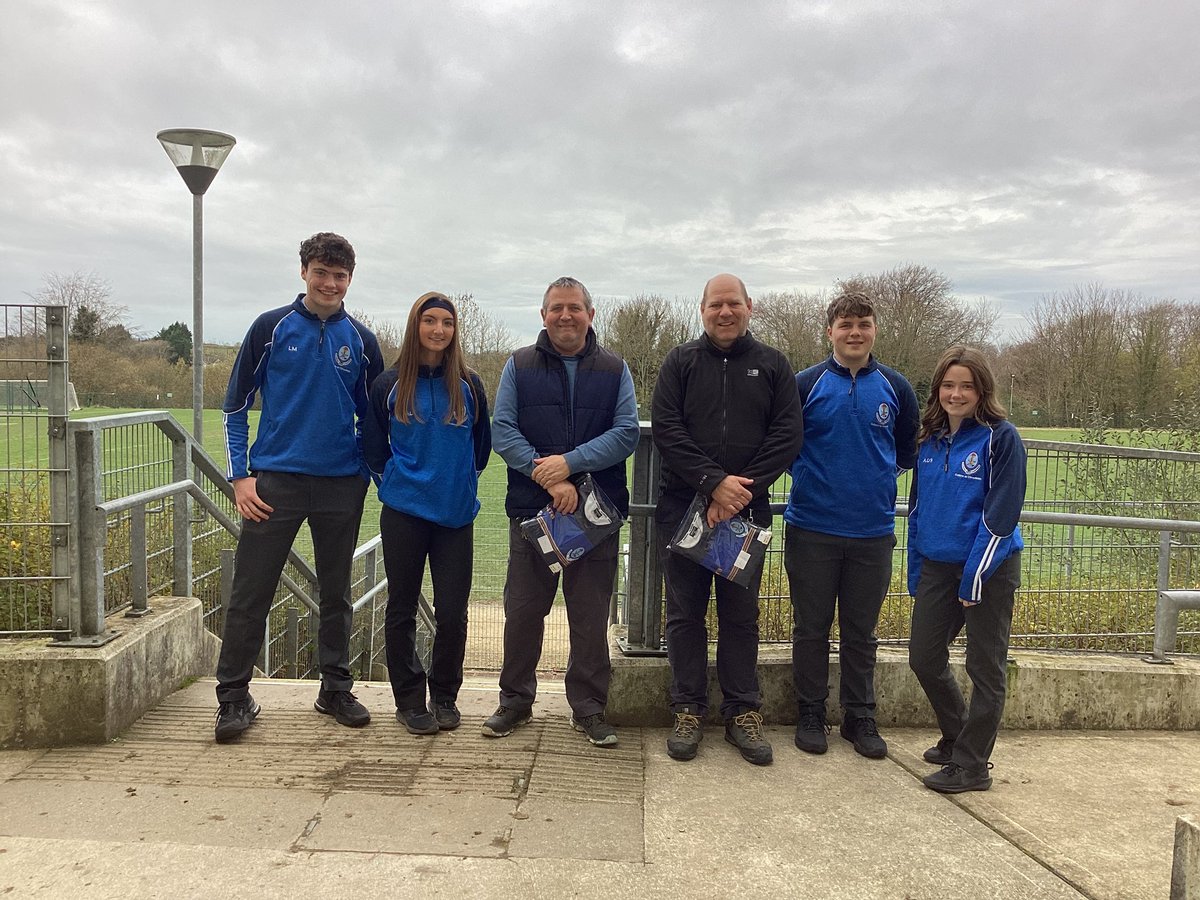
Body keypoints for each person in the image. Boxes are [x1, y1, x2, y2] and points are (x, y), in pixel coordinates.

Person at [214, 232, 384, 743]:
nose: (330, 283)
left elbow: (373, 415)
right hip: (274, 485)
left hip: (340, 485)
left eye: (340, 275)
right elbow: (235, 407)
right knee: (250, 592)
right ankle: (232, 698)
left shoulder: (362, 339)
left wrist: (366, 470)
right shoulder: (270, 328)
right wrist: (240, 476)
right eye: (321, 272)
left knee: (337, 593)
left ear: (350, 279)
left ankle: (334, 689)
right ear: (304, 272)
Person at [652, 273, 804, 766]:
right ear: (702, 309)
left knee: (741, 618)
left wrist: (738, 492)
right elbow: (668, 432)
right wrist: (712, 483)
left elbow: (786, 436)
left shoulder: (773, 365)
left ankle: (743, 712)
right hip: (683, 512)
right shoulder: (679, 362)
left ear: (749, 307)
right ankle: (688, 708)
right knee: (684, 616)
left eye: (733, 304)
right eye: (716, 304)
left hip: (746, 513)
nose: (725, 312)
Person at [484, 276, 639, 747]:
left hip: (595, 516)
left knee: (590, 616)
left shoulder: (616, 368)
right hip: (535, 515)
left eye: (574, 307)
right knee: (524, 612)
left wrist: (570, 465)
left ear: (591, 315)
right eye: (556, 308)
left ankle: (589, 708)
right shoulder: (518, 365)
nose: (565, 316)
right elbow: (503, 431)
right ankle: (515, 702)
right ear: (543, 314)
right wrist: (549, 478)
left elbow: (627, 432)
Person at [785, 291, 919, 759]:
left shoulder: (897, 387)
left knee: (862, 632)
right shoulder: (806, 384)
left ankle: (859, 716)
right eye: (845, 324)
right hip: (811, 528)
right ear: (830, 332)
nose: (854, 332)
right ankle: (811, 712)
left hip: (872, 532)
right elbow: (788, 448)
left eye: (863, 323)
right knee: (811, 628)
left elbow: (906, 452)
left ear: (874, 329)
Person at [363, 292, 491, 735]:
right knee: (401, 608)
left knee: (452, 612)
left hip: (456, 517)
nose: (439, 330)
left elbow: (481, 451)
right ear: (415, 326)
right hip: (404, 515)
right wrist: (404, 484)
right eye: (430, 320)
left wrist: (452, 483)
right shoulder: (389, 384)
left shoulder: (471, 385)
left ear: (455, 331)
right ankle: (409, 700)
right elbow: (374, 450)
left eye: (447, 323)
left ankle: (445, 696)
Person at [907, 345, 1026, 793]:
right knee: (923, 657)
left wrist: (974, 576)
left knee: (985, 668)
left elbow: (1000, 514)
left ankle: (972, 766)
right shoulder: (930, 439)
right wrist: (918, 571)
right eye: (949, 385)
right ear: (938, 389)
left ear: (982, 391)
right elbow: (918, 509)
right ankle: (958, 736)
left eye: (967, 386)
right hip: (939, 566)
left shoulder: (1001, 437)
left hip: (989, 569)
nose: (957, 394)